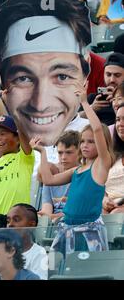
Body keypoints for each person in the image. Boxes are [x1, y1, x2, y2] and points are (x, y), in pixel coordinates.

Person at [0, 0, 91, 147]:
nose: (41, 104)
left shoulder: (96, 138)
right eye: (23, 78)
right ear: (0, 79)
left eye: (62, 76)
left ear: (85, 73)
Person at [33, 81, 113, 255]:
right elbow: (48, 180)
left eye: (90, 141)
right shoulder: (77, 170)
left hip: (89, 231)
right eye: (82, 141)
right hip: (66, 228)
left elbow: (98, 129)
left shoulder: (101, 165)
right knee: (57, 269)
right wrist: (42, 153)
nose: (84, 145)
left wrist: (84, 102)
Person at [39, 131, 81, 221]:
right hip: (54, 222)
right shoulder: (50, 175)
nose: (63, 157)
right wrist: (42, 216)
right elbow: (47, 207)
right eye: (60, 153)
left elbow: (78, 212)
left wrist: (52, 217)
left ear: (80, 152)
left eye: (69, 152)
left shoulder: (84, 174)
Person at [7, 204, 48, 280]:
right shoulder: (3, 251)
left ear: (31, 225)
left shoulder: (39, 252)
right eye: (8, 221)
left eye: (16, 220)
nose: (10, 224)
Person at [85, 52, 124, 126]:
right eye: (108, 74)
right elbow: (74, 121)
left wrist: (119, 101)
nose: (112, 79)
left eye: (117, 75)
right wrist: (91, 109)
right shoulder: (92, 98)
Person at [103, 103, 124, 214]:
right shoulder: (112, 154)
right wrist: (104, 200)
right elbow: (100, 185)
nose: (120, 124)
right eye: (118, 119)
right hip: (110, 209)